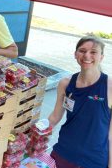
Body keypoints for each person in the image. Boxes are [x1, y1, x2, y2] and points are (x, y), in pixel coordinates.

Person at [48, 36, 112, 168]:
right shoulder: (66, 83)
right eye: (82, 51)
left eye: (93, 52)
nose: (87, 55)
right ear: (75, 54)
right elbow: (55, 117)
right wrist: (36, 134)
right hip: (63, 153)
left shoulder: (109, 87)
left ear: (101, 57)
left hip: (94, 161)